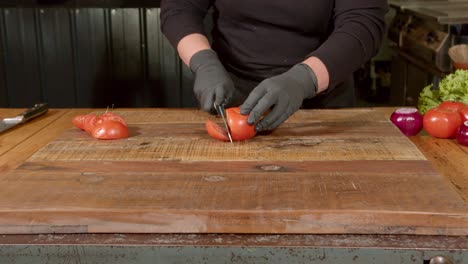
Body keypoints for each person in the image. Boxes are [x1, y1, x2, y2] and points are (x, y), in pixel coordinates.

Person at [160, 0, 388, 131]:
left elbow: (363, 23)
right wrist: (203, 62)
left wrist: (304, 79)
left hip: (322, 106)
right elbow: (180, 8)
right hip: (232, 102)